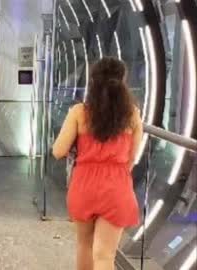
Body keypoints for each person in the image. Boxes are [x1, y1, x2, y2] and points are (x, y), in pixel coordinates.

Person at [52, 57, 143, 270]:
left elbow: (58, 151)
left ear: (93, 81)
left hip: (84, 184)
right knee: (104, 256)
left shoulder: (79, 112)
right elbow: (132, 158)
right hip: (117, 186)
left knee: (84, 246)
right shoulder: (133, 115)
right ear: (123, 82)